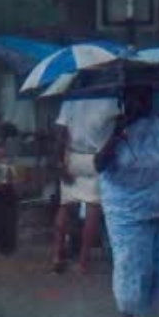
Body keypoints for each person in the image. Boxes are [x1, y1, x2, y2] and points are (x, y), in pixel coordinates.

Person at [95, 87, 159, 317]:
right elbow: (99, 164)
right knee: (129, 261)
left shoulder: (157, 127)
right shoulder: (112, 127)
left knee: (152, 265)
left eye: (144, 99)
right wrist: (117, 137)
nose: (141, 105)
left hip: (155, 207)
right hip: (124, 209)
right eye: (135, 99)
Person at [51, 95, 120, 274]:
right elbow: (119, 130)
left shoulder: (72, 99)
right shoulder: (112, 100)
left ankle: (56, 255)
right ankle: (83, 262)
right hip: (96, 158)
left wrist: (59, 163)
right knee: (92, 207)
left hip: (72, 156)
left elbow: (60, 131)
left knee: (65, 205)